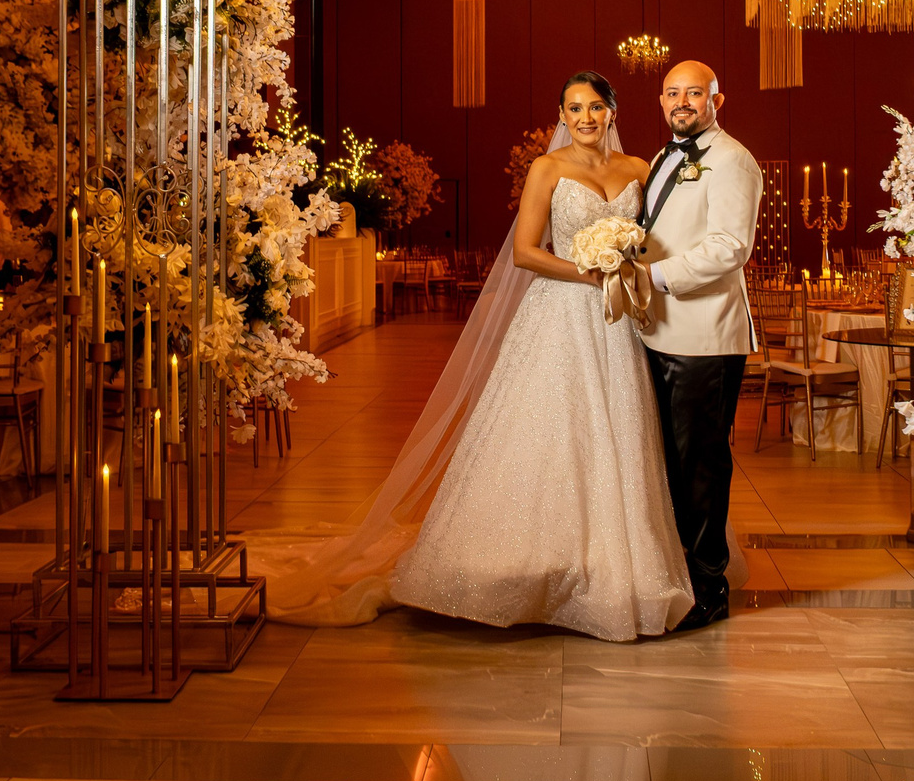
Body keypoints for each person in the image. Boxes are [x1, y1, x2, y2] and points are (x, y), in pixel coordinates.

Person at [261, 69, 738, 640]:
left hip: (622, 321)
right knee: (551, 432)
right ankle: (533, 563)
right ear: (561, 116)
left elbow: (667, 235)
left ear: (613, 111)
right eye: (574, 108)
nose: (585, 118)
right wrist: (590, 271)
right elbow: (525, 253)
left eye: (595, 107)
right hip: (561, 313)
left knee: (622, 434)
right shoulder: (547, 169)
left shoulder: (642, 168)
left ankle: (612, 563)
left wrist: (631, 267)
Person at [629, 60, 765, 632]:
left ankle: (709, 592)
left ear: (717, 100)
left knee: (701, 466)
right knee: (670, 464)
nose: (681, 102)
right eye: (672, 93)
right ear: (661, 101)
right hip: (659, 329)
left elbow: (730, 246)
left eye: (694, 93)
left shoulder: (732, 159)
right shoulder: (663, 156)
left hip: (705, 337)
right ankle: (680, 579)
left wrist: (653, 277)